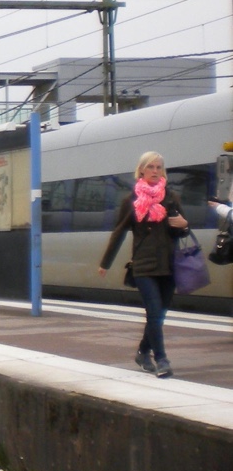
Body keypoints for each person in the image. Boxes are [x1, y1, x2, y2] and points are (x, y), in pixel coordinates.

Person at [97, 150, 188, 378]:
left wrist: (184, 225)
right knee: (154, 314)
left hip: (168, 266)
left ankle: (142, 351)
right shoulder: (132, 201)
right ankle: (162, 359)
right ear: (142, 171)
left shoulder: (171, 198)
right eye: (151, 167)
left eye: (158, 167)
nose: (155, 171)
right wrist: (105, 263)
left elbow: (181, 231)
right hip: (144, 266)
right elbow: (118, 233)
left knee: (160, 315)